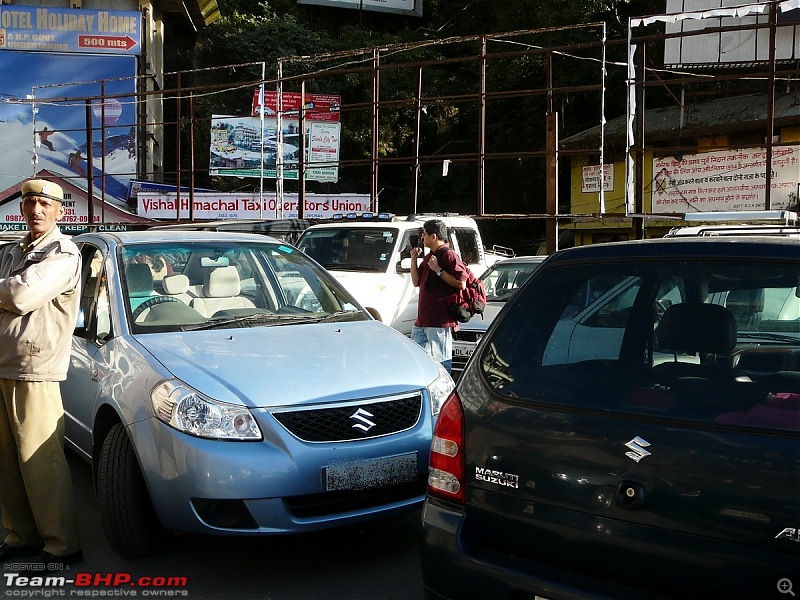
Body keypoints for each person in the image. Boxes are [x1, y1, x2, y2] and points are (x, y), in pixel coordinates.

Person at [0, 179, 83, 572]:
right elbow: (12, 294)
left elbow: (20, 297)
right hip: (3, 362)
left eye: (45, 204)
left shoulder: (63, 253)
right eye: (30, 203)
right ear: (21, 208)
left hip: (35, 368)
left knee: (40, 460)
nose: (36, 210)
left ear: (59, 211)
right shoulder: (14, 252)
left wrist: (10, 293)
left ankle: (61, 546)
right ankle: (21, 535)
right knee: (7, 461)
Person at [410, 219, 467, 373]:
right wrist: (414, 259)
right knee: (418, 363)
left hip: (439, 321)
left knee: (442, 364)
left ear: (433, 236)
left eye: (424, 234)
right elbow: (416, 282)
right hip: (422, 321)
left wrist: (438, 270)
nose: (422, 237)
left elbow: (461, 283)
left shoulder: (449, 255)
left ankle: (446, 395)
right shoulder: (430, 256)